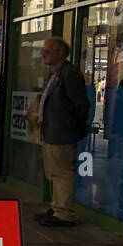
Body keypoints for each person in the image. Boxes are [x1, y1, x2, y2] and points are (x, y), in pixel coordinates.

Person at [33, 36, 90, 226]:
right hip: (51, 131)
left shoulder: (69, 73)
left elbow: (80, 104)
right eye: (43, 50)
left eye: (48, 51)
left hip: (62, 132)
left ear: (61, 53)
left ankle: (64, 212)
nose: (43, 54)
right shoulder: (55, 73)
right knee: (52, 172)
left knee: (62, 172)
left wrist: (76, 127)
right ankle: (56, 206)